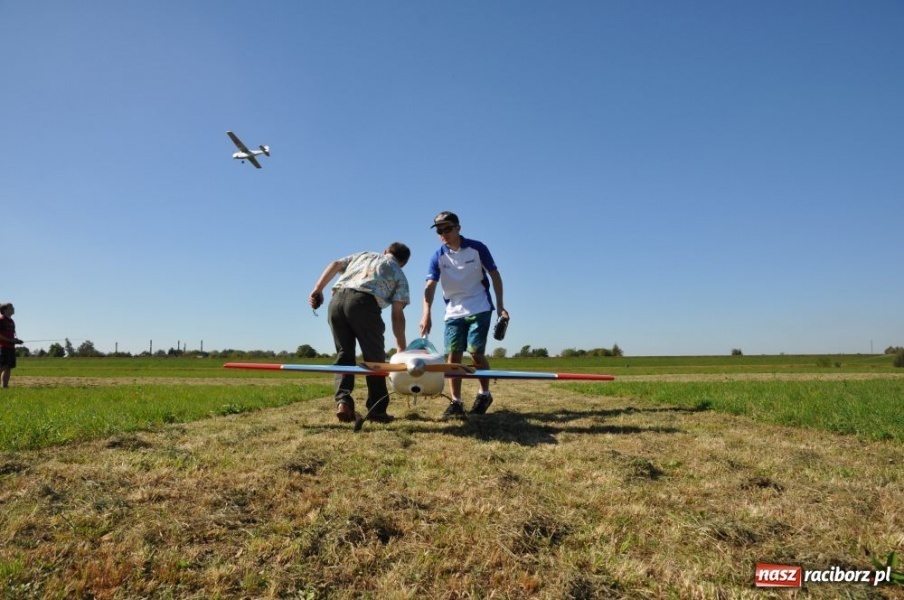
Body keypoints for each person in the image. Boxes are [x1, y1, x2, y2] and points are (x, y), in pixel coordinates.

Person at [420, 212, 509, 419]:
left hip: (480, 306)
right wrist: (426, 314)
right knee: (453, 355)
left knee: (476, 352)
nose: (444, 234)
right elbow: (430, 286)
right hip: (453, 311)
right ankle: (456, 401)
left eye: (447, 229)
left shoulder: (478, 248)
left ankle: (484, 394)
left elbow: (495, 275)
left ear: (458, 228)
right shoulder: (437, 257)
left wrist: (501, 306)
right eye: (439, 231)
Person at [309, 243, 411, 423]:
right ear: (403, 263)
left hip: (336, 301)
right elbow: (397, 314)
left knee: (344, 354)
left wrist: (317, 289)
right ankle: (377, 410)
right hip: (364, 305)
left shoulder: (364, 255)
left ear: (386, 251)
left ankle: (343, 401)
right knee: (375, 359)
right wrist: (401, 348)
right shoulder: (399, 274)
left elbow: (335, 264)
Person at [0, 302, 24, 389]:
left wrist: (16, 341)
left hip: (11, 347)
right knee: (3, 366)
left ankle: (5, 386)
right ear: (4, 310)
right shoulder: (1, 320)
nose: (13, 309)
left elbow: (12, 335)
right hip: (3, 347)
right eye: (10, 308)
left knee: (9, 367)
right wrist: (10, 340)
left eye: (12, 307)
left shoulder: (12, 321)